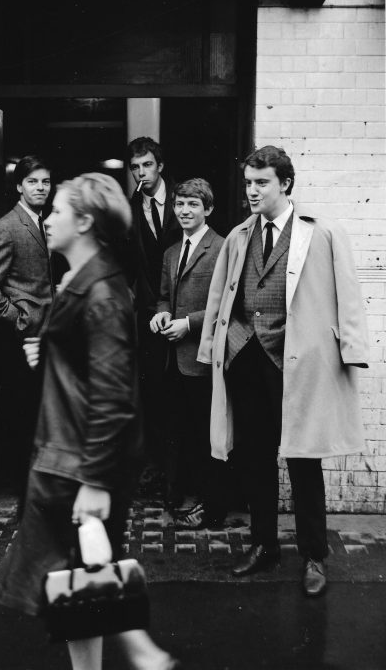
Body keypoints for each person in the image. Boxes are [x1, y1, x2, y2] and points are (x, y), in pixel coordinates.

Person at [0, 173, 179, 670]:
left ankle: (140, 646)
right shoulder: (81, 278)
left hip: (80, 461)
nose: (47, 219)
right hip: (66, 456)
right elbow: (83, 364)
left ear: (85, 221)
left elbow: (114, 395)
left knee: (80, 573)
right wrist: (47, 351)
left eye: (57, 211)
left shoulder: (101, 294)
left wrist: (95, 481)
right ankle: (132, 648)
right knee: (77, 583)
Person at [197, 146, 369, 597]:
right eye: (248, 183)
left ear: (285, 184)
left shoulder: (322, 233)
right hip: (246, 357)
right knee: (255, 458)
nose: (251, 191)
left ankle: (314, 556)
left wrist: (352, 350)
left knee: (304, 460)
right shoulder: (238, 236)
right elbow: (220, 298)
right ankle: (263, 545)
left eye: (261, 183)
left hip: (299, 362)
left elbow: (348, 294)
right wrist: (217, 347)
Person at [0, 155, 57, 500]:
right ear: (19, 186)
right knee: (22, 414)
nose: (40, 188)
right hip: (20, 338)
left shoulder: (43, 222)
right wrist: (16, 316)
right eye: (33, 182)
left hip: (42, 336)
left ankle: (34, 483)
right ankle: (23, 488)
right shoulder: (7, 227)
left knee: (38, 411)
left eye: (45, 182)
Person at [149, 178, 227, 527]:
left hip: (203, 357)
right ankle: (182, 496)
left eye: (192, 204)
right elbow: (164, 295)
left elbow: (227, 303)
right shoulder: (169, 252)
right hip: (174, 359)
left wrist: (189, 324)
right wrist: (162, 313)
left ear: (207, 209)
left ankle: (211, 506)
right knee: (178, 430)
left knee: (205, 436)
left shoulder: (222, 248)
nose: (184, 210)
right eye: (179, 204)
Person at [127, 137, 180, 500]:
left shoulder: (184, 199)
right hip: (148, 315)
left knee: (185, 394)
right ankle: (160, 470)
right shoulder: (130, 209)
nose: (141, 173)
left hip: (185, 311)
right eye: (135, 167)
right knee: (153, 395)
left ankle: (183, 475)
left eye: (146, 165)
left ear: (159, 166)